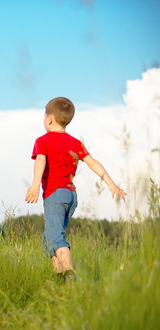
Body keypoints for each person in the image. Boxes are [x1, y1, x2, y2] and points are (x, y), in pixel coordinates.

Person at [25, 97, 126, 279]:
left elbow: (40, 160)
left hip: (54, 195)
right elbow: (92, 162)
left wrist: (34, 184)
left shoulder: (43, 140)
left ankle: (69, 274)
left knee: (56, 238)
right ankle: (60, 279)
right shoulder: (75, 143)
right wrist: (112, 184)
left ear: (49, 118)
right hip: (71, 196)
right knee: (50, 239)